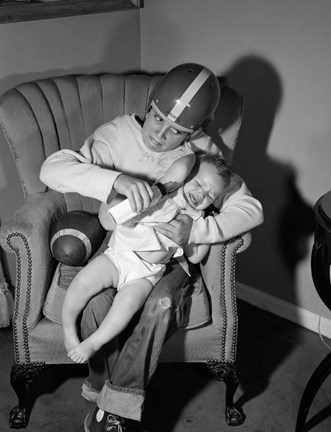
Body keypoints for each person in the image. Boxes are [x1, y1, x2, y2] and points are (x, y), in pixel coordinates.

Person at [40, 63, 263, 432]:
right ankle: (101, 390)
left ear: (197, 131)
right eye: (158, 119)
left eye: (178, 132)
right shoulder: (115, 136)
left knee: (160, 305)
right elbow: (52, 170)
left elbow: (249, 208)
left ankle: (116, 412)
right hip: (123, 242)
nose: (161, 135)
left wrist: (197, 231)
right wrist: (115, 180)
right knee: (95, 301)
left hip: (169, 257)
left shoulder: (204, 152)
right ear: (150, 104)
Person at [62, 154, 232, 364]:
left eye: (210, 195)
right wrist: (182, 171)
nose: (200, 194)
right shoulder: (161, 192)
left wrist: (201, 232)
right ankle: (69, 330)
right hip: (119, 255)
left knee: (128, 304)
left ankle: (94, 342)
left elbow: (195, 256)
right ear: (185, 178)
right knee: (83, 282)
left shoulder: (197, 220)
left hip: (146, 273)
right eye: (197, 183)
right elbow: (181, 166)